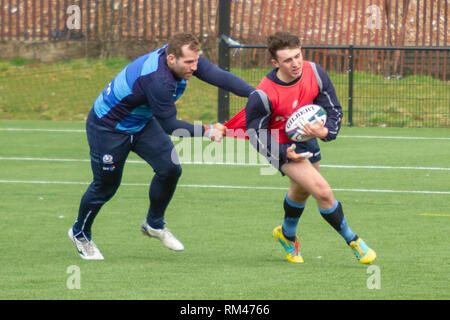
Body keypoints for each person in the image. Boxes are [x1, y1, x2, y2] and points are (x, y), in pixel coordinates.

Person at [68, 32, 255, 260]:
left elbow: (219, 77)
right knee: (105, 187)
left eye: (196, 61)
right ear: (171, 59)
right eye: (189, 63)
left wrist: (255, 94)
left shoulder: (183, 56)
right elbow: (169, 125)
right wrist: (207, 130)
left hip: (141, 122)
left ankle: (154, 224)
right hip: (108, 127)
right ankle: (79, 233)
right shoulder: (158, 80)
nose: (194, 67)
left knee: (170, 169)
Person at [225, 32, 376, 264]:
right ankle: (354, 241)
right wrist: (283, 153)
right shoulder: (263, 94)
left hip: (306, 136)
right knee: (322, 191)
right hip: (280, 143)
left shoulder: (315, 72)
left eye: (297, 56)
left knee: (302, 189)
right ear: (275, 63)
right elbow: (256, 134)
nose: (295, 64)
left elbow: (333, 107)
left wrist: (326, 132)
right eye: (287, 60)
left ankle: (286, 235)